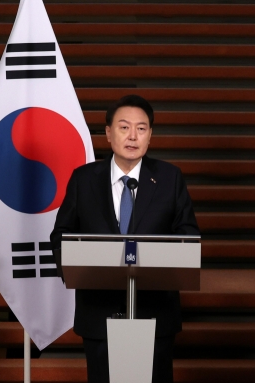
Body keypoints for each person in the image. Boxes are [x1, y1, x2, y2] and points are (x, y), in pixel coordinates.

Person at [50, 94, 199, 383]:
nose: (133, 136)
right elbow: (61, 234)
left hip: (155, 311)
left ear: (150, 136)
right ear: (108, 133)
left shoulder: (170, 178)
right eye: (124, 127)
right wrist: (73, 268)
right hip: (98, 311)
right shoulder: (84, 178)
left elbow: (188, 236)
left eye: (141, 129)